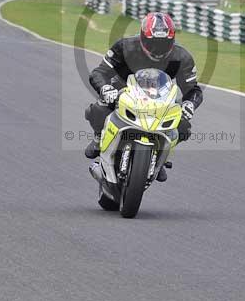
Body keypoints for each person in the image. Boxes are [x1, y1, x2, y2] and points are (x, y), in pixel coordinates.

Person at [84, 12, 203, 182]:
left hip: (161, 99)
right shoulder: (125, 47)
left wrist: (190, 104)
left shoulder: (182, 57)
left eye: (163, 44)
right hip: (123, 91)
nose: (157, 48)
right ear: (142, 37)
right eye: (152, 43)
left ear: (172, 40)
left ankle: (161, 158)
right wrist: (106, 89)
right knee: (97, 109)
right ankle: (98, 137)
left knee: (183, 127)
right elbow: (99, 72)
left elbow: (193, 89)